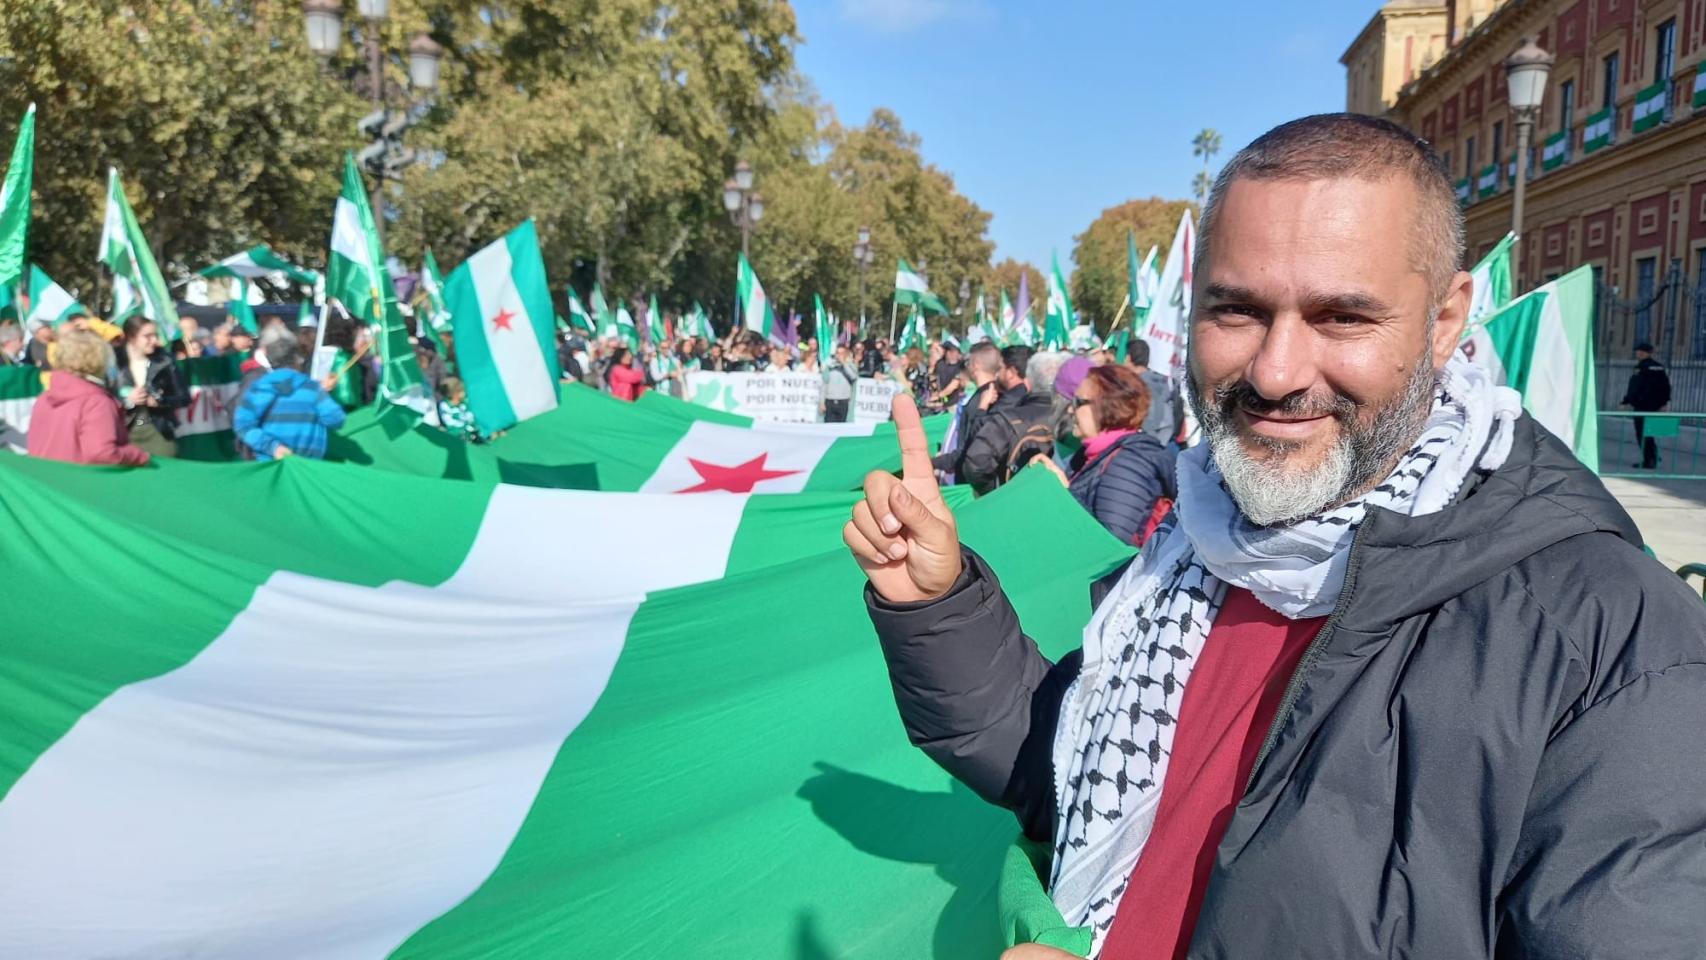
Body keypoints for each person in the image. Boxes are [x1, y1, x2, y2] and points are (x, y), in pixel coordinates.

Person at [848, 114, 1706, 960]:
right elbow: (1062, 782)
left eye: (1341, 317)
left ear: (1445, 321)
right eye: (1237, 310)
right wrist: (937, 605)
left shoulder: (1614, 640)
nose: (1275, 372)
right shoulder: (1195, 545)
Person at [1030, 364, 1177, 545]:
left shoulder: (1128, 464)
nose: (1070, 410)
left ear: (1108, 406)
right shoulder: (1092, 453)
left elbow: (1110, 546)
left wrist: (1063, 495)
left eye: (1078, 402)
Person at [26, 329, 150, 467]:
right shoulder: (97, 402)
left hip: (43, 483)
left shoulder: (43, 399)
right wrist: (139, 456)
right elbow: (102, 453)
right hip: (79, 484)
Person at [955, 344, 1055, 494]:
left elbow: (976, 459)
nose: (996, 374)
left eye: (1000, 368)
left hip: (1010, 493)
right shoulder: (1061, 410)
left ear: (1011, 372)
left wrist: (995, 490)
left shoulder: (1011, 404)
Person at [233, 331, 347, 461]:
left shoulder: (257, 389)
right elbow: (336, 419)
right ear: (296, 360)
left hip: (270, 466)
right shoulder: (312, 389)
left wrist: (273, 448)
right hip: (307, 466)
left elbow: (242, 426)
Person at [116, 316, 189, 459]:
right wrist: (126, 400)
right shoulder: (113, 362)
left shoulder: (165, 360)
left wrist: (159, 401)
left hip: (158, 431)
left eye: (155, 335)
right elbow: (103, 395)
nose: (154, 340)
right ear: (131, 337)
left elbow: (184, 397)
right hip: (124, 432)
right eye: (147, 336)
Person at [932, 341, 1002, 481]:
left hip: (972, 481)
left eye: (968, 362)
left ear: (975, 365)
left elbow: (968, 448)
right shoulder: (996, 395)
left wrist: (933, 463)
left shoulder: (982, 400)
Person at [1620, 341, 1672, 469]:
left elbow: (1635, 387)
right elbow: (1665, 386)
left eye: (1638, 351)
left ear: (1643, 352)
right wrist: (1664, 403)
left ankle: (1649, 460)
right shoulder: (1659, 367)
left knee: (1642, 433)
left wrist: (1626, 401)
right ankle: (1653, 456)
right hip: (1655, 405)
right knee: (1648, 432)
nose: (1637, 353)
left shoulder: (1641, 368)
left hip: (1642, 405)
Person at [1126, 337, 1177, 445]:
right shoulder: (1161, 383)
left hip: (1145, 447)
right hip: (1166, 446)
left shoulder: (1137, 388)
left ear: (1128, 358)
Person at [437, 377, 482, 443]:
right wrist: (463, 426)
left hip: (468, 427)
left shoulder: (464, 402)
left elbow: (471, 415)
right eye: (462, 391)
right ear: (456, 394)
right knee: (457, 434)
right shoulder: (444, 405)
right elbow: (449, 422)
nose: (464, 392)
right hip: (456, 430)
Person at [927, 342, 966, 413]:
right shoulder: (940, 364)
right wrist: (934, 392)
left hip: (954, 403)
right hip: (942, 404)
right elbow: (934, 379)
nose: (954, 354)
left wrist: (939, 395)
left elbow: (954, 385)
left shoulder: (960, 366)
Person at [823, 344, 858, 423]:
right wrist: (822, 401)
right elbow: (824, 383)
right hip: (830, 401)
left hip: (843, 402)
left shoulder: (850, 366)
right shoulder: (830, 366)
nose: (839, 355)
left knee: (841, 427)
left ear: (846, 354)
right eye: (838, 353)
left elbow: (853, 377)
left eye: (842, 353)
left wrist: (843, 364)